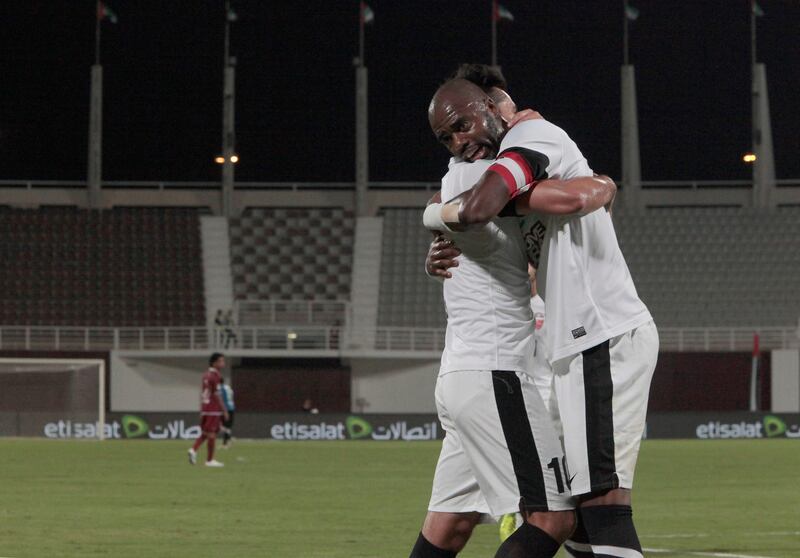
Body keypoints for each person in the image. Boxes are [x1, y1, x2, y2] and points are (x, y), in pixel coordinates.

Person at [424, 74, 658, 558]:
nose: (460, 141)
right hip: (547, 352)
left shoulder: (531, 136)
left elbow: (494, 204)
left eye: (464, 125)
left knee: (594, 509)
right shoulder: (478, 168)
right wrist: (599, 186)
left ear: (496, 106)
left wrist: (450, 212)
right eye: (447, 137)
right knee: (575, 516)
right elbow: (482, 206)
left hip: (598, 333)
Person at [188, 353, 229, 467]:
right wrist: (224, 410)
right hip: (213, 409)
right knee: (212, 434)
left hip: (206, 407)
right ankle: (210, 460)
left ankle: (193, 449)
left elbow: (204, 393)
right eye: (221, 361)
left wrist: (202, 410)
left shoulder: (206, 375)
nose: (223, 363)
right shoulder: (215, 376)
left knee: (206, 433)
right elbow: (216, 394)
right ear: (214, 363)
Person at [220, 376, 235, 448]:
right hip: (232, 407)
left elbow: (221, 399)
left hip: (225, 408)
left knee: (222, 426)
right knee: (227, 426)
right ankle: (228, 441)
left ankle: (226, 442)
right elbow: (232, 395)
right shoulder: (228, 388)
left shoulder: (221, 388)